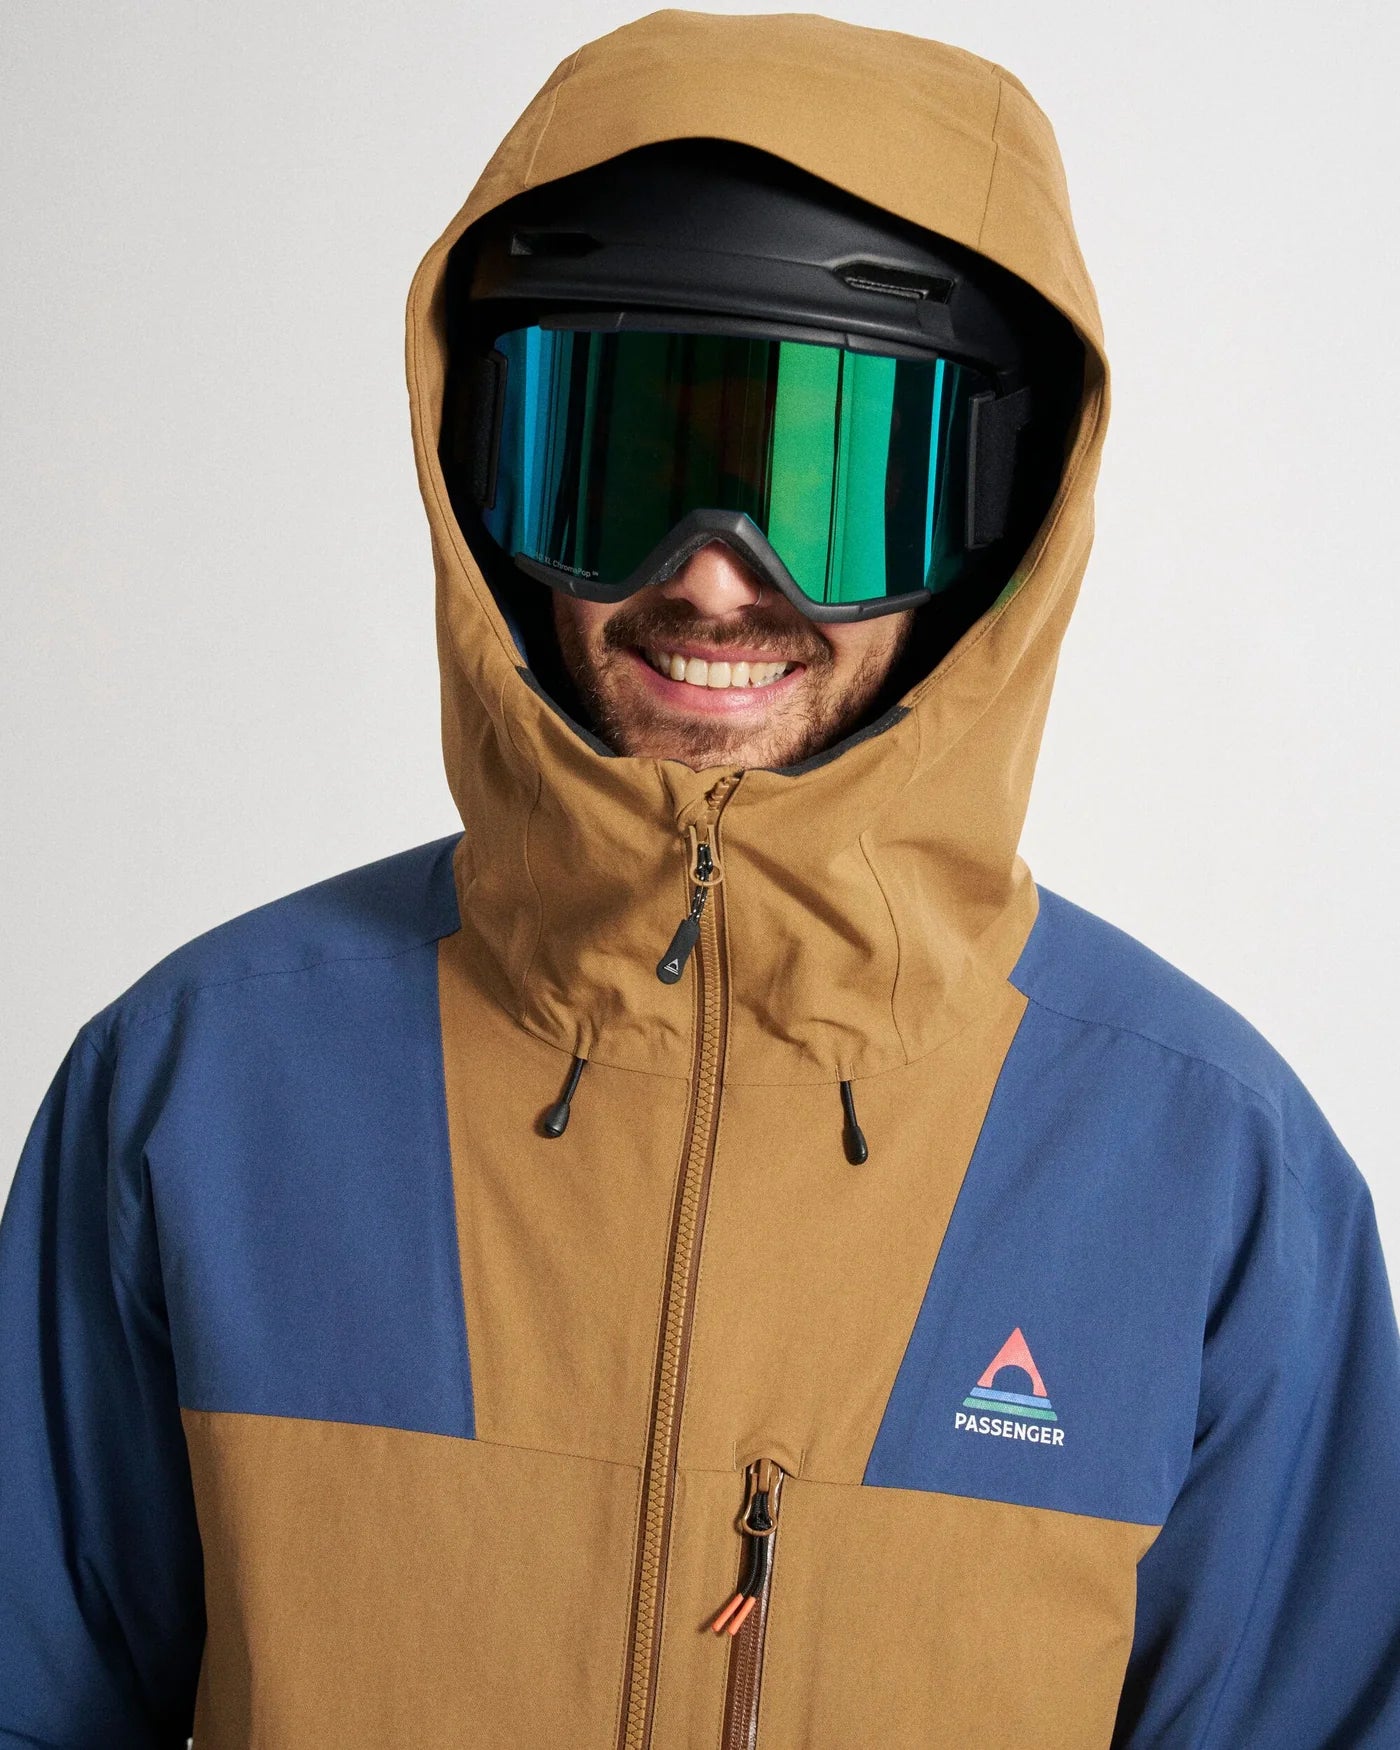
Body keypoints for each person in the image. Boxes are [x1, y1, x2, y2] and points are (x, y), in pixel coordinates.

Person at [1, 10, 1397, 1748]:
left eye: (833, 486)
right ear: (480, 479)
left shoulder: (1214, 1180)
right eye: (622, 465)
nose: (718, 580)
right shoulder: (195, 1089)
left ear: (1000, 521)